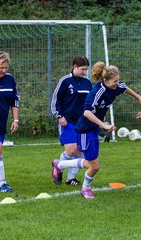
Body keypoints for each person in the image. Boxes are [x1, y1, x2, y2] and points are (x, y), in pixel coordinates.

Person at [51, 62, 141, 199]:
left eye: (118, 80)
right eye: (114, 81)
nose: (117, 83)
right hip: (85, 130)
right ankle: (85, 189)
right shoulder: (97, 92)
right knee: (94, 165)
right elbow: (86, 113)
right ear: (105, 80)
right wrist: (104, 125)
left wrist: (139, 97)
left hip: (93, 129)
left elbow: (124, 88)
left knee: (91, 163)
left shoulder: (116, 86)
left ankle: (59, 164)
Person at [51, 56, 93, 186]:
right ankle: (57, 166)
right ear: (74, 66)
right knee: (71, 150)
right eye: (82, 69)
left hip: (82, 122)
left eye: (86, 69)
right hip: (67, 121)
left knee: (80, 150)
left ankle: (71, 178)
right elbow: (55, 101)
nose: (85, 72)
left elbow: (90, 102)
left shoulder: (87, 82)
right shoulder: (65, 81)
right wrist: (59, 116)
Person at [0, 51, 20, 192]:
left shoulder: (10, 79)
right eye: (1, 67)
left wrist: (15, 120)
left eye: (6, 68)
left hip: (1, 122)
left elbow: (14, 101)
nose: (4, 71)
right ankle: (2, 184)